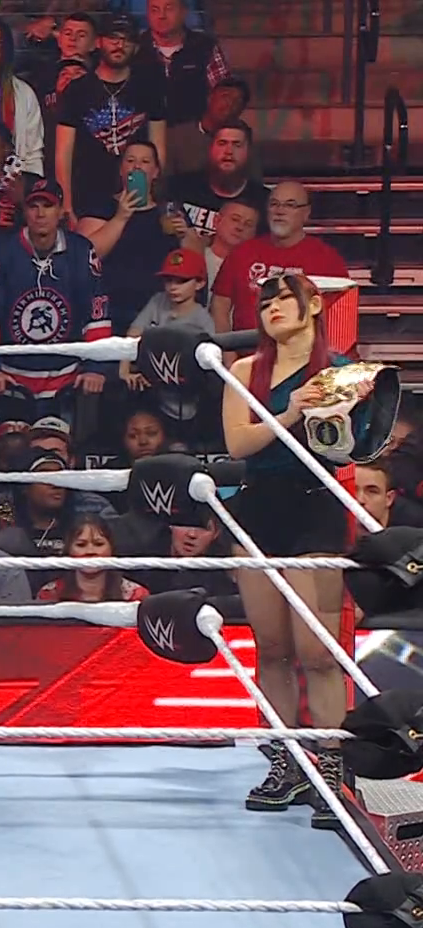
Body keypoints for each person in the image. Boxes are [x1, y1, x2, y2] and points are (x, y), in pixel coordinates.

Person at [218, 273, 358, 830]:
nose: (273, 308)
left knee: (317, 652)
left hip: (314, 507)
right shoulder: (244, 372)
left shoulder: (339, 373)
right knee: (271, 647)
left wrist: (326, 411)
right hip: (258, 508)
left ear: (313, 305)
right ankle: (286, 764)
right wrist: (292, 411)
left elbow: (349, 447)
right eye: (265, 302)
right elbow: (238, 443)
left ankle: (331, 768)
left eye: (284, 299)